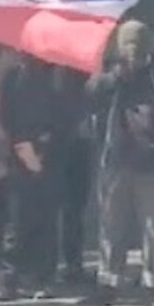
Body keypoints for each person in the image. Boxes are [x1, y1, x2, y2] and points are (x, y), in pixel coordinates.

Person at [88, 20, 154, 306]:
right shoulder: (110, 80)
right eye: (129, 44)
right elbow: (90, 95)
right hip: (116, 163)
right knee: (112, 226)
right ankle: (108, 284)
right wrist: (116, 77)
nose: (134, 53)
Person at [0, 55, 64, 301]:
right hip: (19, 155)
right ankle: (8, 282)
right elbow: (5, 115)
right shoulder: (13, 77)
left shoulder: (57, 77)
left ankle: (44, 281)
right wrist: (22, 145)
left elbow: (64, 116)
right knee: (16, 220)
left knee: (47, 221)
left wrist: (45, 147)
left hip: (51, 156)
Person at [51, 65, 97, 285]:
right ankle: (69, 263)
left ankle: (72, 263)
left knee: (73, 211)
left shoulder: (86, 94)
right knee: (70, 210)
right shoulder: (64, 93)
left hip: (78, 149)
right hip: (67, 150)